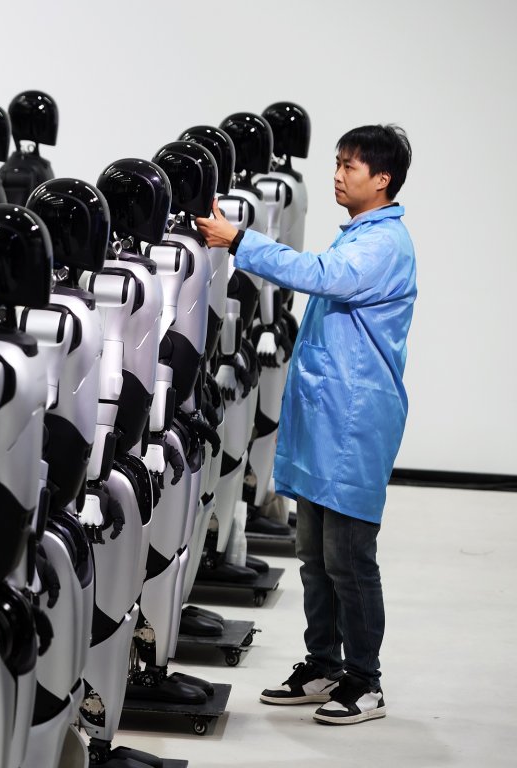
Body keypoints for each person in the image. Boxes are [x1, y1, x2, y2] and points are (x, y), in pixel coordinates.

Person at [195, 124, 415, 725]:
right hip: (327, 422)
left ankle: (364, 680)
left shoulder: (381, 246)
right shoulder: (360, 235)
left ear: (383, 179)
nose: (338, 174)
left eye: (350, 166)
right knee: (314, 554)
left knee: (349, 556)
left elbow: (319, 274)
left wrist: (240, 240)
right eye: (338, 163)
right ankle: (323, 664)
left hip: (354, 423)